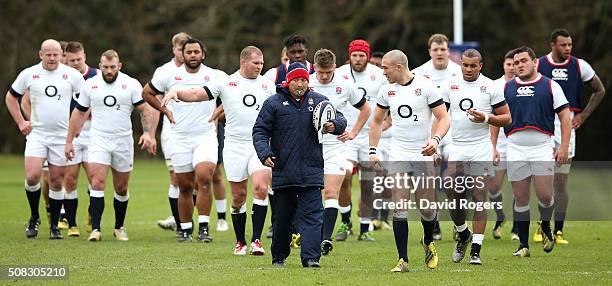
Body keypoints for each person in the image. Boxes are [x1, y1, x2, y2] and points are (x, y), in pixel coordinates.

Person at [162, 46, 275, 256]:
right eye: (256, 63)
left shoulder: (269, 85)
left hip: (259, 144)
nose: (260, 67)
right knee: (239, 196)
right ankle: (240, 241)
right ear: (243, 62)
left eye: (261, 63)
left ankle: (256, 241)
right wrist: (176, 92)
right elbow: (196, 94)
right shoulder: (225, 82)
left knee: (260, 187)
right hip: (235, 146)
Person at [253, 62, 347, 268]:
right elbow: (260, 131)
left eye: (304, 79)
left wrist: (334, 125)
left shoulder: (319, 101)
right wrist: (264, 153)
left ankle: (311, 258)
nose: (300, 84)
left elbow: (340, 118)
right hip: (284, 171)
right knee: (282, 219)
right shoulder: (274, 103)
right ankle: (279, 257)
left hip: (312, 171)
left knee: (313, 217)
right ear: (288, 81)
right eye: (296, 79)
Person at [369, 50, 449, 272]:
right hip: (399, 153)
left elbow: (443, 117)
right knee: (400, 206)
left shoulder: (426, 87)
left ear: (398, 67)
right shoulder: (386, 91)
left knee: (426, 208)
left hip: (423, 154)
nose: (382, 71)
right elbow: (376, 121)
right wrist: (373, 150)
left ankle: (428, 240)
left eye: (385, 67)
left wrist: (435, 140)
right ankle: (402, 260)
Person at [66, 49, 155, 241]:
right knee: (97, 182)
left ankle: (119, 227)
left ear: (119, 66)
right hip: (98, 140)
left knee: (121, 187)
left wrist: (148, 133)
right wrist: (69, 140)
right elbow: (79, 113)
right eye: (105, 67)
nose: (108, 71)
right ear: (99, 66)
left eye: (112, 67)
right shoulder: (91, 85)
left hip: (123, 141)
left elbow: (145, 110)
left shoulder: (130, 84)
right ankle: (96, 229)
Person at [142, 38, 222, 242]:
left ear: (203, 54)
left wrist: (219, 113)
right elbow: (147, 93)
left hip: (205, 136)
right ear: (182, 55)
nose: (193, 55)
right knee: (184, 185)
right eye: (189, 52)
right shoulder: (170, 75)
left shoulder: (215, 75)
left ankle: (204, 228)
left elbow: (232, 97)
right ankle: (185, 229)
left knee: (204, 178)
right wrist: (164, 110)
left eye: (197, 52)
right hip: (178, 137)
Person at [5, 39, 84, 239]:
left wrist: (76, 127)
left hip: (61, 136)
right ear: (41, 54)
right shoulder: (29, 74)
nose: (52, 58)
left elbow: (86, 101)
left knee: (57, 181)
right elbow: (10, 97)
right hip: (37, 134)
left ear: (61, 55)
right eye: (48, 54)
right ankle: (34, 216)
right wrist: (22, 122)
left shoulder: (72, 75)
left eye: (56, 54)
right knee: (32, 176)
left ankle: (54, 227)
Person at [440, 49, 511, 265]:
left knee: (480, 196)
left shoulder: (491, 86)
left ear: (481, 65)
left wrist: (487, 118)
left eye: (473, 66)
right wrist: (434, 141)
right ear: (460, 64)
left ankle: (476, 250)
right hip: (457, 147)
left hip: (481, 148)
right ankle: (463, 233)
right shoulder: (449, 85)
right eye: (465, 65)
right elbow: (440, 116)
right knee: (453, 192)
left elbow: (506, 118)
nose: (469, 69)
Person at [534, 29, 606, 244]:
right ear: (552, 45)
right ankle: (542, 225)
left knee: (561, 181)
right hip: (544, 127)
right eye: (563, 45)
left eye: (570, 45)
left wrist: (583, 116)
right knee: (544, 180)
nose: (568, 49)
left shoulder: (579, 65)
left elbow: (600, 90)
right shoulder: (538, 65)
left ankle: (558, 230)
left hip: (567, 126)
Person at [504, 46, 571, 257]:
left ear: (535, 62)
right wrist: (493, 145)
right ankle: (523, 246)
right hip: (515, 148)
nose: (519, 65)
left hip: (542, 147)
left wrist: (563, 147)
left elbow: (565, 117)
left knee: (544, 195)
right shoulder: (506, 88)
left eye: (523, 61)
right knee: (521, 198)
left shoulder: (550, 86)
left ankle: (545, 225)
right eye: (516, 63)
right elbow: (496, 120)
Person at [309, 48, 370, 254]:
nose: (324, 76)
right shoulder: (306, 84)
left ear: (334, 67)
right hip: (309, 146)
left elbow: (366, 109)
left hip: (335, 146)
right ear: (314, 67)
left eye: (328, 72)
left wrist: (353, 132)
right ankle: (305, 233)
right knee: (310, 193)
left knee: (331, 191)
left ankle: (325, 240)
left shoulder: (345, 85)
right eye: (320, 72)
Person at [263, 34, 316, 243]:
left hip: (310, 140)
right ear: (285, 53)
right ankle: (278, 224)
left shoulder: (315, 71)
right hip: (282, 139)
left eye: (300, 52)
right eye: (292, 52)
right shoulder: (273, 74)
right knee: (277, 186)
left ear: (306, 52)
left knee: (308, 188)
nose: (296, 55)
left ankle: (301, 229)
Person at [336, 39, 389, 241]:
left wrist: (386, 123)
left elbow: (390, 100)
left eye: (362, 55)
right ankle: (345, 221)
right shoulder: (339, 73)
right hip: (345, 135)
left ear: (367, 56)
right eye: (354, 55)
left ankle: (365, 228)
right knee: (345, 176)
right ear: (349, 55)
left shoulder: (378, 76)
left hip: (369, 136)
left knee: (368, 181)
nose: (358, 59)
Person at [413, 33, 462, 241]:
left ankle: (458, 222)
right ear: (429, 51)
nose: (439, 53)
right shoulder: (420, 73)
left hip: (455, 133)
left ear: (448, 51)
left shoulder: (459, 72)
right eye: (435, 49)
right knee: (430, 179)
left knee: (454, 178)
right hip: (429, 134)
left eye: (443, 49)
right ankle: (434, 223)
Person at [60, 41, 99, 236]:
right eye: (72, 60)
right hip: (71, 131)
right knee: (70, 178)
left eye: (79, 59)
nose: (75, 63)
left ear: (84, 56)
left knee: (94, 177)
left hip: (93, 132)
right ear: (66, 58)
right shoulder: (62, 76)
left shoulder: (97, 75)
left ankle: (93, 214)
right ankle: (71, 223)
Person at [488, 50, 519, 240]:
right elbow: (493, 117)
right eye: (508, 64)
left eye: (514, 64)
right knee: (493, 186)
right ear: (504, 65)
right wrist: (492, 145)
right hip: (499, 142)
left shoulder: (523, 86)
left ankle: (517, 228)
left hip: (518, 142)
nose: (512, 67)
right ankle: (500, 216)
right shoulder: (495, 86)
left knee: (519, 186)